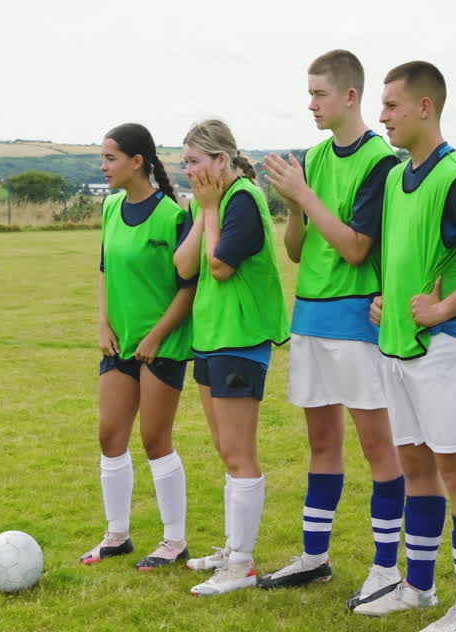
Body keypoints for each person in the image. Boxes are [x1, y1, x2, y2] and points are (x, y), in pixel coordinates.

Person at [259, 49, 407, 608]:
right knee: (321, 443)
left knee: (378, 448)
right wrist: (292, 205)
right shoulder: (313, 157)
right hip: (311, 318)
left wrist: (305, 196)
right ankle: (314, 557)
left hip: (356, 322)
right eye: (309, 93)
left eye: (321, 93)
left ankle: (386, 568)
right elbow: (296, 251)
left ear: (350, 96)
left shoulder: (379, 161)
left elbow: (354, 249)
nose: (312, 104)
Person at [354, 61, 456, 632]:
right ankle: (416, 587)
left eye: (390, 105)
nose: (382, 116)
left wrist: (442, 308)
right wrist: (384, 300)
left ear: (424, 108)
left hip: (448, 349)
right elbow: (398, 256)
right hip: (397, 346)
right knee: (415, 467)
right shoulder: (393, 178)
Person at [172, 119, 291, 597]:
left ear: (222, 160)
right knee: (226, 449)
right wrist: (203, 209)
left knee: (240, 454)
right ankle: (232, 549)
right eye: (184, 164)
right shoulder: (213, 202)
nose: (188, 172)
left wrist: (210, 209)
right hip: (212, 338)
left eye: (196, 163)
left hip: (241, 339)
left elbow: (218, 266)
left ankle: (241, 564)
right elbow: (184, 265)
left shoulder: (243, 199)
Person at [82, 123, 195, 571]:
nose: (103, 166)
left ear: (137, 162)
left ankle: (174, 541)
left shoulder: (172, 215)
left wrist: (155, 336)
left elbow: (188, 288)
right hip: (119, 343)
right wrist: (103, 323)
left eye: (110, 158)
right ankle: (117, 535)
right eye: (102, 157)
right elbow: (106, 271)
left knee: (154, 439)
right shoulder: (110, 208)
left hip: (161, 345)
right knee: (110, 435)